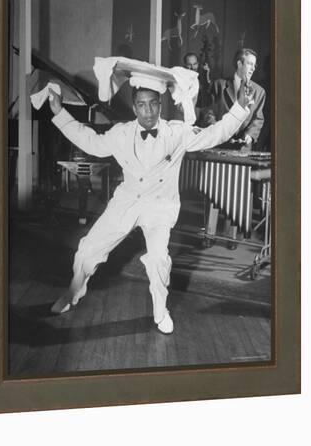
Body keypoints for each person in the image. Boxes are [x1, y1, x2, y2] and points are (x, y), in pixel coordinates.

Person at [47, 67, 254, 334]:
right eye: (142, 105)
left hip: (160, 207)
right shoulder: (120, 133)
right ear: (134, 107)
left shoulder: (176, 132)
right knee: (87, 250)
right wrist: (58, 112)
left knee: (158, 259)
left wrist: (239, 107)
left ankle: (160, 311)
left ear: (160, 105)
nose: (148, 111)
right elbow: (91, 142)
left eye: (153, 104)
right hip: (126, 203)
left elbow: (215, 134)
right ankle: (72, 294)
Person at [211, 48, 266, 148]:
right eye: (250, 64)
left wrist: (249, 135)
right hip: (219, 145)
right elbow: (209, 113)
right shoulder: (218, 85)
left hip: (243, 149)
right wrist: (216, 132)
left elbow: (258, 118)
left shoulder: (260, 92)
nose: (253, 68)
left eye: (255, 65)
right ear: (239, 64)